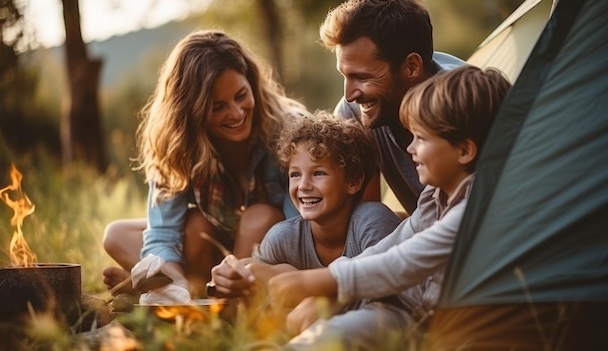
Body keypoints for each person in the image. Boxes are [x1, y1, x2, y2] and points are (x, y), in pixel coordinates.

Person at [268, 65, 512, 350]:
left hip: (449, 330)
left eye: (421, 138)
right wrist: (331, 292)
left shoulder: (477, 209)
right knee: (320, 339)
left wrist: (318, 282)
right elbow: (390, 247)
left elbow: (403, 263)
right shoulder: (436, 196)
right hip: (405, 313)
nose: (410, 149)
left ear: (464, 150)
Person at [102, 29, 309, 297]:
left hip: (266, 251)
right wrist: (176, 283)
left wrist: (252, 268)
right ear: (192, 111)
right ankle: (186, 290)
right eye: (217, 106)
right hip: (213, 248)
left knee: (259, 216)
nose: (236, 113)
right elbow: (163, 234)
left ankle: (229, 301)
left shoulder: (288, 129)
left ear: (252, 83)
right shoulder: (178, 144)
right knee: (118, 234)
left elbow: (301, 230)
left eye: (241, 95)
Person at [208, 111, 400, 304]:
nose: (303, 186)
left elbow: (389, 294)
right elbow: (253, 277)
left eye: (318, 173)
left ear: (353, 181)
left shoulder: (373, 222)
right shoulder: (283, 237)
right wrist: (236, 276)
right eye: (295, 175)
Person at [320, 0, 465, 215]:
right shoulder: (353, 114)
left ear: (412, 67)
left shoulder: (467, 107)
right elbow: (362, 218)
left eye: (362, 76)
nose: (349, 95)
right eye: (345, 76)